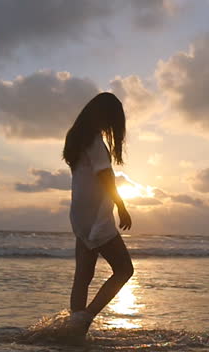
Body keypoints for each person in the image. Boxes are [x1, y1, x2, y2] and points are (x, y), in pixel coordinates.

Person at [63, 92, 134, 339]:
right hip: (95, 217)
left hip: (80, 215)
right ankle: (85, 318)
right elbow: (105, 177)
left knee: (83, 275)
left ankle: (74, 330)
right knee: (125, 270)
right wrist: (122, 206)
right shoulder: (94, 140)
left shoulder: (77, 138)